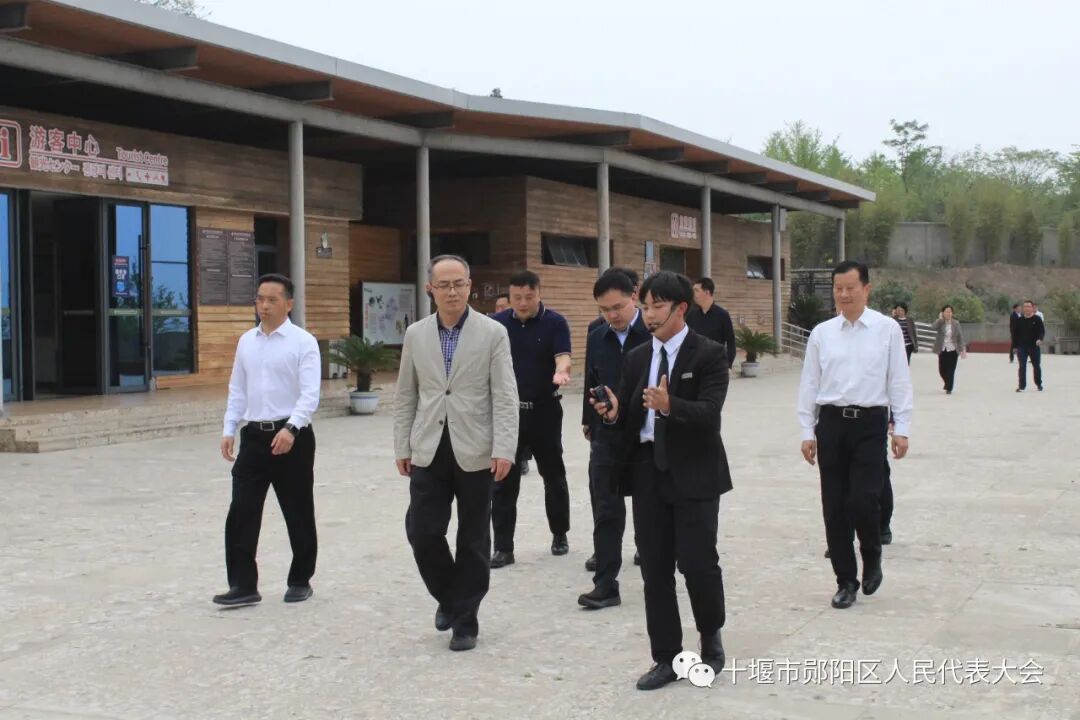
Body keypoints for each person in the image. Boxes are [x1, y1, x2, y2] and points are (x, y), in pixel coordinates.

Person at [590, 270, 732, 691]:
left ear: (681, 308)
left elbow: (710, 414)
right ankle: (666, 656)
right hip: (648, 471)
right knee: (654, 568)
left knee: (698, 563)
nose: (649, 315)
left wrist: (671, 405)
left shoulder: (708, 353)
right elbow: (630, 419)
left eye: (658, 307)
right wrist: (614, 413)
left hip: (695, 472)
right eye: (645, 306)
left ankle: (711, 639)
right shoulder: (637, 357)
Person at [394, 255, 518, 652]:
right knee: (422, 531)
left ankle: (465, 621)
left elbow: (505, 395)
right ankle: (449, 596)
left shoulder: (493, 332)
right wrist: (402, 444)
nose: (452, 291)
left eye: (459, 283)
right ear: (430, 288)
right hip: (428, 446)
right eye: (444, 285)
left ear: (470, 286)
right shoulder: (416, 334)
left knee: (474, 538)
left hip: (477, 447)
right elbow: (406, 394)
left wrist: (504, 448)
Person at [797, 261, 913, 611]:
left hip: (870, 423)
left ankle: (872, 555)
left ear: (866, 289)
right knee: (834, 507)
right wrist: (807, 430)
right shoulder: (822, 334)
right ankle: (845, 580)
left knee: (864, 499)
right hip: (832, 423)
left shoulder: (886, 329)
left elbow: (899, 380)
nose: (844, 295)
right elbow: (810, 384)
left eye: (850, 288)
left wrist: (902, 428)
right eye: (838, 289)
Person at [215, 273, 321, 607]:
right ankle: (243, 585)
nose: (264, 305)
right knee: (241, 512)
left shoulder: (303, 342)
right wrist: (229, 428)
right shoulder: (247, 341)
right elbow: (237, 388)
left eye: (272, 300)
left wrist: (291, 428)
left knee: (298, 510)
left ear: (289, 304)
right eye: (260, 299)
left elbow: (310, 394)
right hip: (254, 438)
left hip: (293, 439)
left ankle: (300, 579)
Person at [577, 268, 651, 610]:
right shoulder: (597, 336)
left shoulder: (652, 333)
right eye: (605, 309)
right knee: (606, 509)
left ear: (633, 297)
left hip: (645, 435)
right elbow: (591, 378)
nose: (612, 315)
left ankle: (655, 575)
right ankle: (605, 584)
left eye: (618, 307)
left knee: (649, 510)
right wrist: (588, 419)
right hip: (606, 434)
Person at [491, 270, 573, 567]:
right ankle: (503, 547)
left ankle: (559, 533)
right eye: (517, 298)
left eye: (529, 297)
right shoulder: (497, 324)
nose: (523, 303)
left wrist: (562, 371)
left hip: (544, 411)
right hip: (507, 413)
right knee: (503, 480)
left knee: (553, 475)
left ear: (539, 293)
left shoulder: (555, 322)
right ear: (509, 297)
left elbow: (563, 355)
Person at [492, 293, 530, 477]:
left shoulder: (518, 328)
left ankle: (522, 459)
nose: (499, 310)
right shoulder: (492, 328)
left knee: (521, 425)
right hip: (500, 385)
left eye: (503, 306)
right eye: (497, 307)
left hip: (520, 384)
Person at [686, 277, 737, 369]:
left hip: (716, 365)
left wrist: (728, 365)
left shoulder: (722, 315)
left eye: (696, 290)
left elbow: (731, 342)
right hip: (695, 366)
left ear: (707, 293)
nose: (693, 293)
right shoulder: (691, 315)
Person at [588, 268, 639, 334]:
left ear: (634, 294)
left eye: (617, 307)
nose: (613, 316)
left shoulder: (649, 326)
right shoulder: (595, 329)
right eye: (605, 309)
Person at [932, 305, 967, 394]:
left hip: (953, 350)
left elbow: (960, 336)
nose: (948, 313)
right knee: (942, 370)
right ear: (943, 313)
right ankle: (947, 383)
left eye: (950, 312)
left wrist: (962, 349)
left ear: (952, 313)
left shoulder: (956, 323)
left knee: (951, 370)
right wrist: (940, 319)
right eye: (946, 312)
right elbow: (933, 327)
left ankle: (949, 388)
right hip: (942, 349)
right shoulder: (940, 322)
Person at [1014, 300, 1045, 392]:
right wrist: (1015, 346)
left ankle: (1039, 384)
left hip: (1034, 346)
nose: (1027, 308)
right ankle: (1022, 386)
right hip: (1022, 347)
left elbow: (1042, 331)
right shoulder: (1019, 320)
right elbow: (1015, 334)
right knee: (1022, 366)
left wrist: (1040, 339)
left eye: (1029, 306)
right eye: (1025, 306)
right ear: (1023, 309)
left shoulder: (1037, 319)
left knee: (1036, 366)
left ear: (1032, 308)